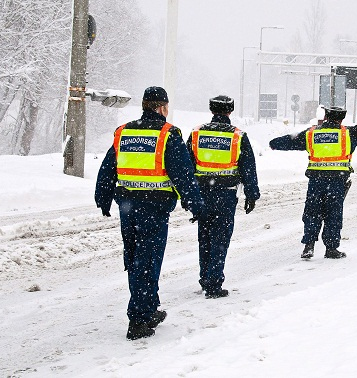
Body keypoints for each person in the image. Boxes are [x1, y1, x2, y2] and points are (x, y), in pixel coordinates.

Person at [95, 86, 205, 340]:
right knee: (147, 262)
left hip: (127, 207)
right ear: (163, 107)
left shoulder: (125, 132)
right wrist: (194, 203)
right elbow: (183, 174)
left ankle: (149, 308)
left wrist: (102, 196)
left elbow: (109, 166)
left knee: (135, 259)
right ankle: (139, 319)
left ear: (145, 105)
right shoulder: (168, 134)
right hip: (154, 209)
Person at [269, 91, 357, 259]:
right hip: (337, 182)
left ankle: (308, 246)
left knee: (312, 212)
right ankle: (331, 249)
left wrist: (274, 144)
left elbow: (292, 140)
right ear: (341, 120)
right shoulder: (348, 135)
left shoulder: (312, 134)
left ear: (326, 118)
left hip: (316, 181)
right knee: (333, 214)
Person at [186, 95, 260, 299]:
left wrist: (188, 196)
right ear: (231, 110)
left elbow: (186, 166)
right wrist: (251, 194)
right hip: (226, 196)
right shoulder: (238, 136)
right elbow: (248, 168)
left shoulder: (196, 133)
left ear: (211, 109)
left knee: (204, 237)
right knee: (220, 239)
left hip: (202, 194)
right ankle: (213, 283)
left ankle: (205, 278)